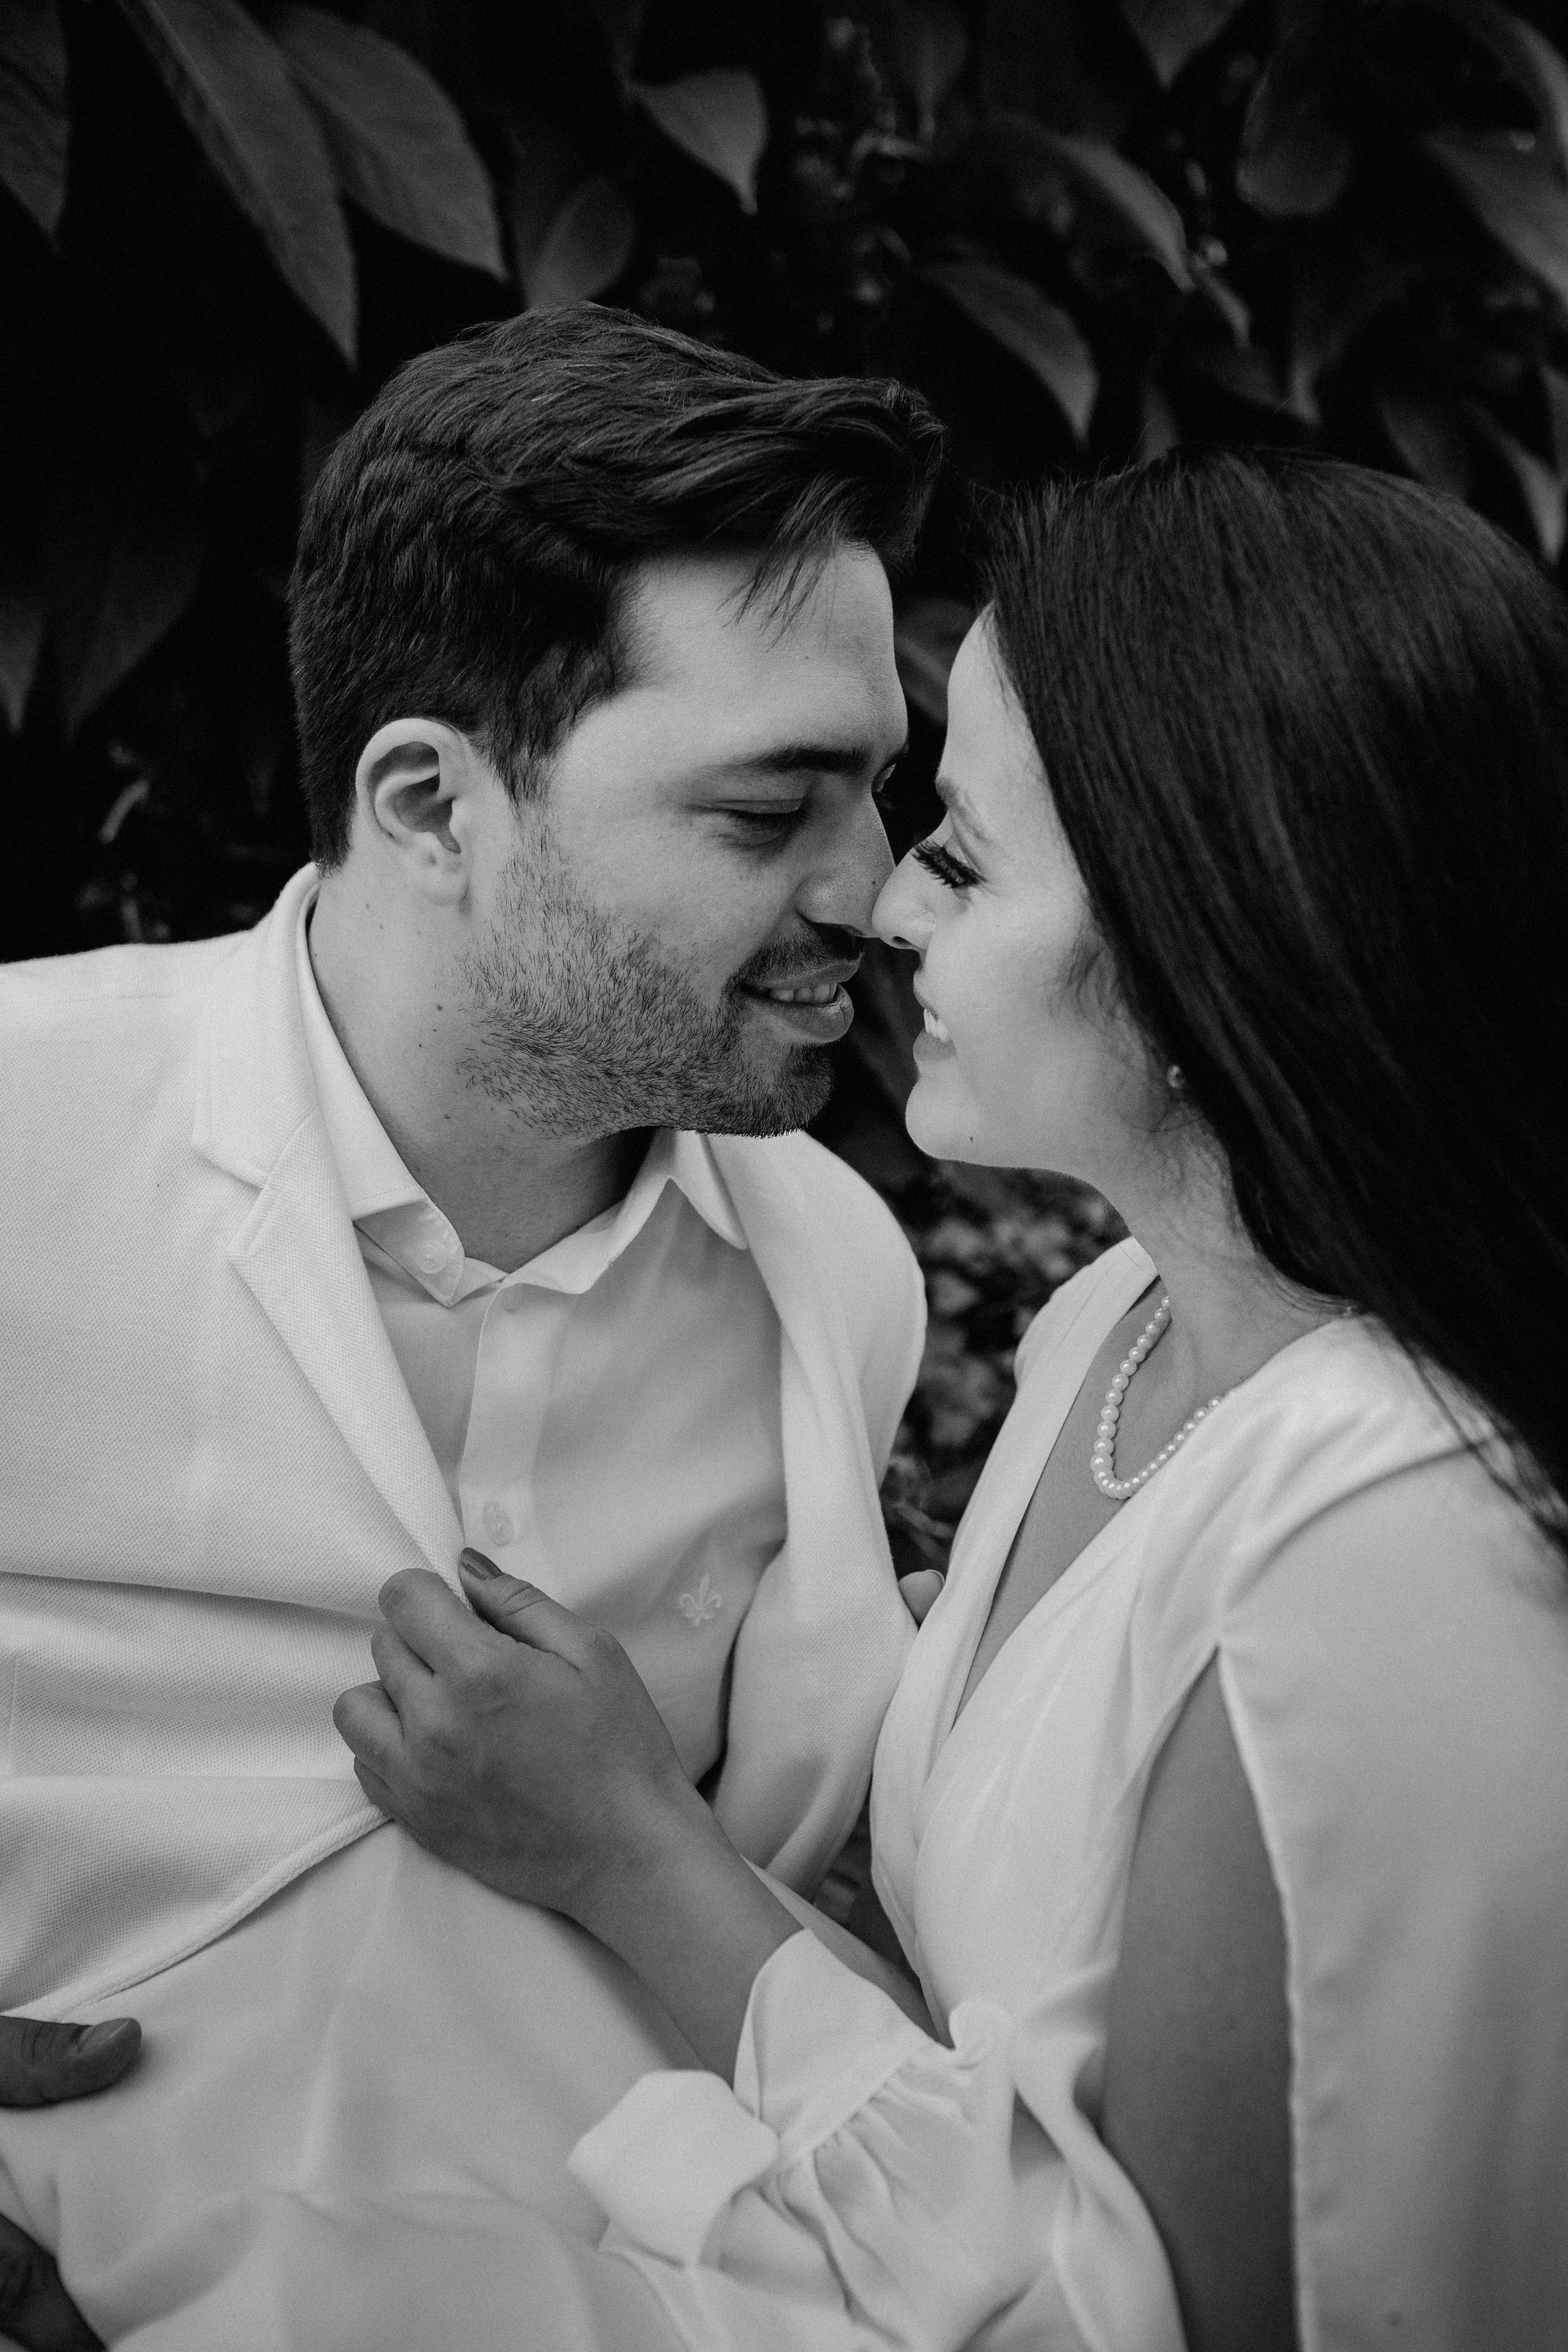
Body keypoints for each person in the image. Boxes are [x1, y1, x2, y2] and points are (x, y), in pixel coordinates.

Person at [308, 451, 1568, 2352]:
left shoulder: (1387, 1536)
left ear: (1207, 932)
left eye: (963, 852)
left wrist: (639, 1852)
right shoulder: (1117, 1329)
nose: (886, 906)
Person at [0, 309, 946, 2347]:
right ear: (431, 803)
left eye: (880, 789)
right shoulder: (15, 1132)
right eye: (768, 810)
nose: (874, 891)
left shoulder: (836, 1278)